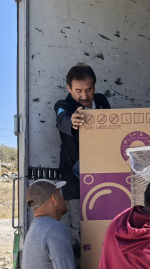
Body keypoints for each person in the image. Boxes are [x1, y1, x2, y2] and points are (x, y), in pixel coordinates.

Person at [54, 64, 112, 246]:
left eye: (89, 90)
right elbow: (62, 119)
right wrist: (72, 120)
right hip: (74, 179)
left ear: (94, 87)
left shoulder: (101, 102)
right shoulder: (64, 106)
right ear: (69, 88)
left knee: (105, 223)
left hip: (103, 176)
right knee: (79, 229)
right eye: (78, 91)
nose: (84, 96)